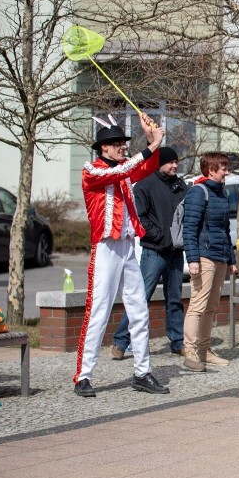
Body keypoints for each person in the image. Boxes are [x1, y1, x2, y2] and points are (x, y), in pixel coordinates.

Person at [73, 113, 169, 397]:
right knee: (98, 311)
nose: (122, 147)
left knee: (139, 309)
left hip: (127, 246)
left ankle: (142, 372)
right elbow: (125, 170)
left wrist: (153, 140)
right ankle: (83, 376)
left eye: (123, 143)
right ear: (103, 147)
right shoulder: (92, 170)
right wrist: (152, 145)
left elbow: (147, 166)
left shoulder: (123, 170)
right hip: (105, 247)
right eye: (117, 143)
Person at [111, 146, 186, 360]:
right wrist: (158, 236)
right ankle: (120, 341)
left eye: (176, 162)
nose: (175, 165)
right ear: (159, 163)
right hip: (153, 251)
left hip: (174, 253)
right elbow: (140, 218)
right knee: (140, 297)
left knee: (175, 299)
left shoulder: (180, 186)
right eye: (171, 162)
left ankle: (177, 341)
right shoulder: (144, 186)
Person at [182, 152, 237, 373]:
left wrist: (231, 259)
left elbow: (225, 230)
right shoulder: (198, 192)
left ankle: (205, 350)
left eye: (226, 167)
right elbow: (189, 228)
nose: (226, 171)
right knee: (198, 304)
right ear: (210, 170)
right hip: (204, 256)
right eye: (222, 167)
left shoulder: (221, 193)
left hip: (220, 256)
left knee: (211, 306)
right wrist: (193, 258)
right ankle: (191, 351)